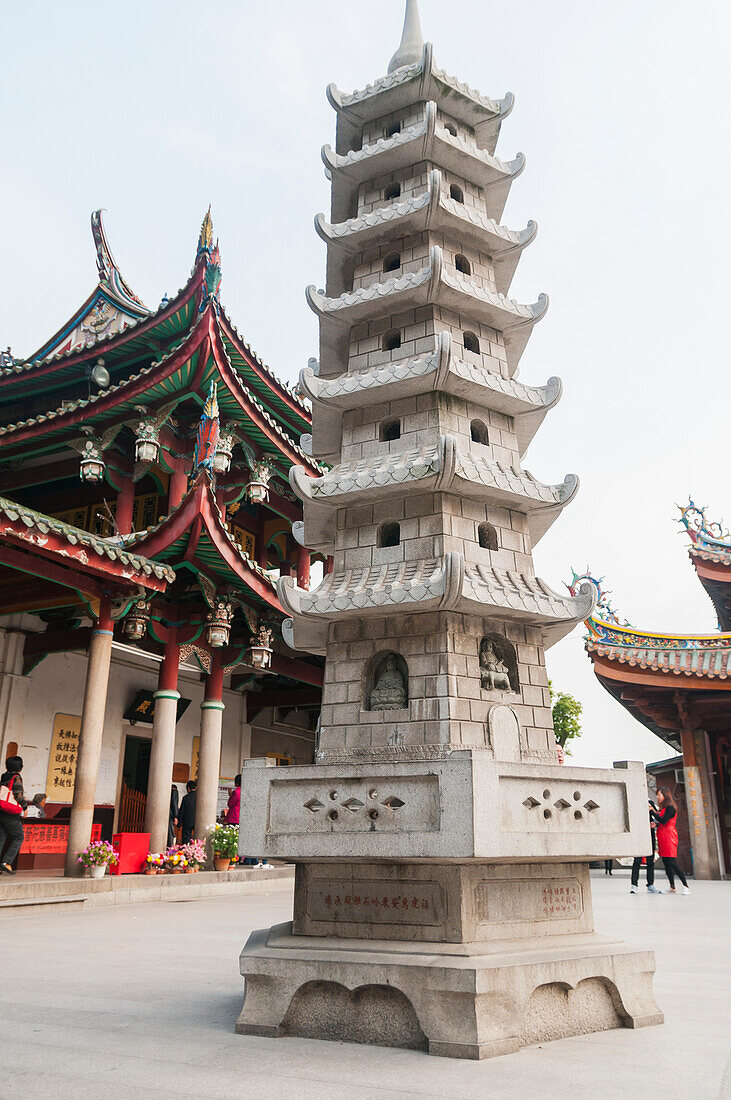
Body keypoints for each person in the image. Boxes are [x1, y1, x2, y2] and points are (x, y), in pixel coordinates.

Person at [651, 787, 691, 894]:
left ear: (665, 795)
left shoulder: (670, 808)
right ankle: (672, 886)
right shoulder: (664, 809)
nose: (657, 797)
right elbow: (661, 821)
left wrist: (652, 812)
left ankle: (686, 886)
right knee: (666, 863)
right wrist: (656, 823)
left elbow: (664, 821)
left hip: (669, 837)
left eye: (659, 795)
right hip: (663, 837)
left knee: (673, 862)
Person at [0, 756, 28, 874]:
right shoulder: (17, 777)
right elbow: (18, 794)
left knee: (1, 838)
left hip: (1, 810)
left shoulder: (4, 776)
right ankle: (6, 862)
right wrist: (25, 807)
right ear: (20, 767)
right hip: (10, 812)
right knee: (19, 837)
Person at [631, 798, 662, 893]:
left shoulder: (651, 803)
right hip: (639, 835)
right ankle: (634, 885)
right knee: (637, 860)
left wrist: (655, 824)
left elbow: (657, 818)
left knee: (650, 861)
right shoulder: (635, 802)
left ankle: (650, 885)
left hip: (650, 835)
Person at [177, 780, 197, 844]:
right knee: (197, 840)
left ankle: (186, 852)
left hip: (187, 822)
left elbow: (182, 811)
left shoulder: (186, 798)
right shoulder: (200, 797)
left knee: (186, 840)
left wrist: (179, 823)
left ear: (188, 788)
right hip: (197, 821)